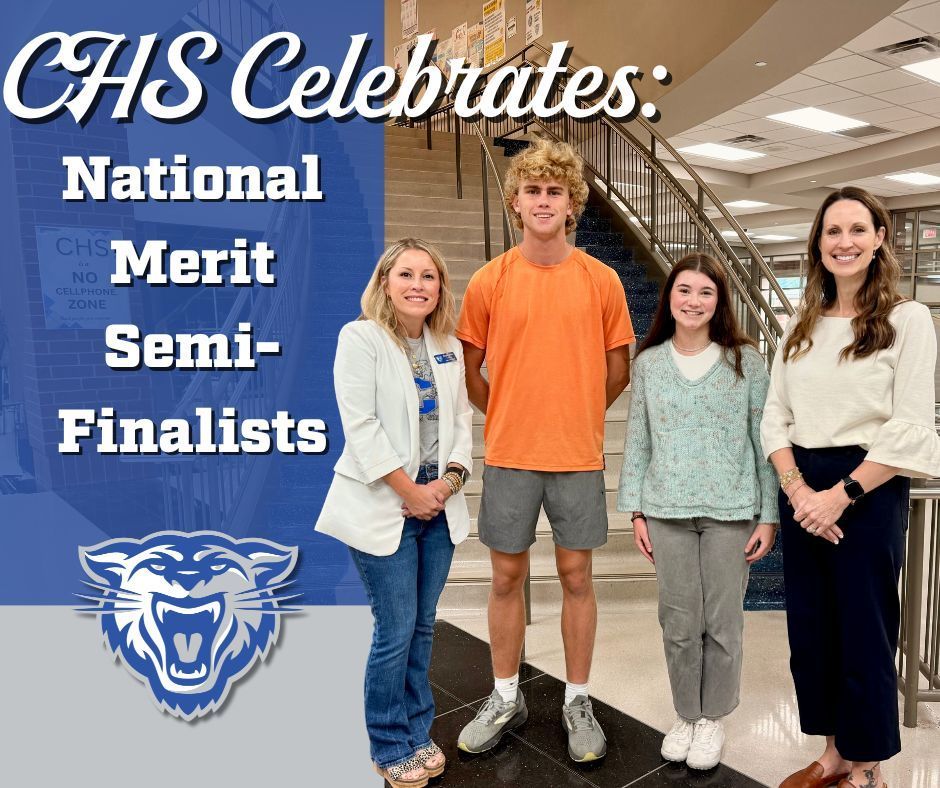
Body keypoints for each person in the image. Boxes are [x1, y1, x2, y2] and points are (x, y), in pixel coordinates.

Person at [454, 138, 634, 763]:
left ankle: (577, 699)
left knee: (577, 575)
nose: (543, 200)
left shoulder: (602, 280)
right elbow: (469, 368)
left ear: (571, 202)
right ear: (515, 201)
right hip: (508, 455)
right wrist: (508, 413)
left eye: (554, 191)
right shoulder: (490, 280)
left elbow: (619, 367)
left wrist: (575, 414)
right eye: (532, 190)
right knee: (506, 576)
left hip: (577, 458)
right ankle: (507, 695)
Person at [760, 187, 940, 788]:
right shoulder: (798, 325)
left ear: (879, 238)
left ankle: (867, 767)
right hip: (802, 488)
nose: (845, 242)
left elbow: (911, 424)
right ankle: (834, 753)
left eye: (857, 230)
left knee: (865, 629)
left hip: (866, 488)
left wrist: (840, 495)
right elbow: (774, 417)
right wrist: (798, 490)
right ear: (818, 242)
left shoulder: (905, 320)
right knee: (811, 628)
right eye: (833, 231)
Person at [315, 238, 473, 788]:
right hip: (385, 505)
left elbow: (460, 425)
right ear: (386, 282)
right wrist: (410, 490)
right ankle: (388, 743)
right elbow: (360, 429)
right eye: (406, 274)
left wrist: (447, 485)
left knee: (423, 627)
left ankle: (416, 729)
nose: (418, 285)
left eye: (428, 276)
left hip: (438, 509)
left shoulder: (447, 345)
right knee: (395, 627)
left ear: (439, 287)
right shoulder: (360, 339)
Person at [616, 252, 778, 770]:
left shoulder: (746, 361)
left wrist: (768, 514)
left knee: (723, 621)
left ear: (719, 302)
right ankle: (687, 713)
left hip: (732, 510)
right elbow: (637, 441)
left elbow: (764, 441)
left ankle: (713, 719)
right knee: (679, 621)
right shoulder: (649, 364)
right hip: (665, 511)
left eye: (705, 292)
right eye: (684, 290)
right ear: (670, 298)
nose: (694, 301)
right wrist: (636, 511)